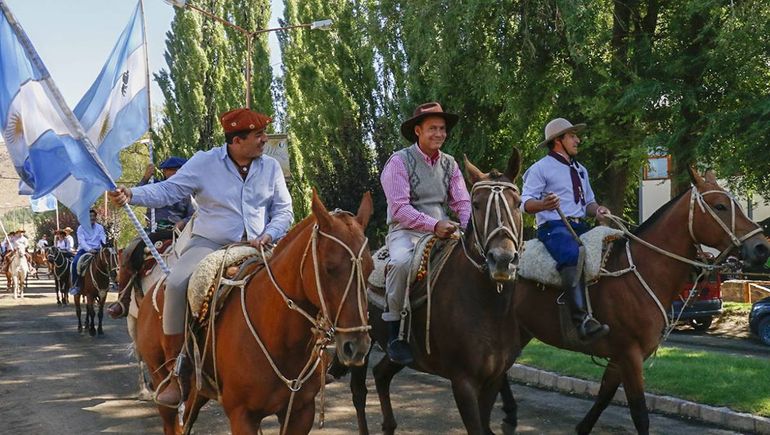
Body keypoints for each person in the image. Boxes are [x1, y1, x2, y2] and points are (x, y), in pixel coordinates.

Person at [108, 107, 293, 407]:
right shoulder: (204, 162)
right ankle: (175, 371)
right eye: (258, 135)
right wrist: (132, 195)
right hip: (210, 243)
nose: (264, 140)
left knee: (301, 278)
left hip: (261, 244)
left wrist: (270, 234)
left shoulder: (270, 167)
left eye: (263, 134)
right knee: (176, 284)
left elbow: (284, 210)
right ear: (237, 140)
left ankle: (313, 357)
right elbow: (168, 191)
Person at [380, 101, 471, 365]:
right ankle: (394, 333)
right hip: (406, 230)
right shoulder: (399, 161)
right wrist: (433, 225)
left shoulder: (450, 164)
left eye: (442, 129)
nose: (439, 134)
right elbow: (399, 209)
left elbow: (462, 202)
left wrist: (468, 228)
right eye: (432, 128)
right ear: (417, 131)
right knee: (400, 264)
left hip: (444, 229)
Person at [520, 118, 611, 342]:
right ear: (558, 140)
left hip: (579, 225)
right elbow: (524, 203)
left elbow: (588, 204)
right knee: (572, 254)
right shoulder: (540, 168)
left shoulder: (581, 170)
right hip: (553, 227)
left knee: (612, 248)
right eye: (572, 136)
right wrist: (544, 205)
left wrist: (598, 210)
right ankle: (581, 322)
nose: (577, 140)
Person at [107, 156, 195, 319]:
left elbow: (195, 214)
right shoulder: (155, 186)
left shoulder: (188, 193)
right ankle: (123, 300)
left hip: (178, 233)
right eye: (170, 170)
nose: (175, 173)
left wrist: (183, 222)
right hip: (153, 231)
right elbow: (134, 196)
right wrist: (146, 178)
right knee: (128, 252)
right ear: (165, 172)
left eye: (178, 170)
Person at [69, 210, 107, 296]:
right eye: (90, 216)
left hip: (98, 250)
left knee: (108, 261)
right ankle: (75, 285)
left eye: (93, 216)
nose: (92, 218)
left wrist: (103, 246)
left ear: (96, 217)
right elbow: (82, 241)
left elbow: (103, 238)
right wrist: (89, 249)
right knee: (75, 263)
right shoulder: (81, 228)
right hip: (84, 250)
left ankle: (110, 282)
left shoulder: (100, 227)